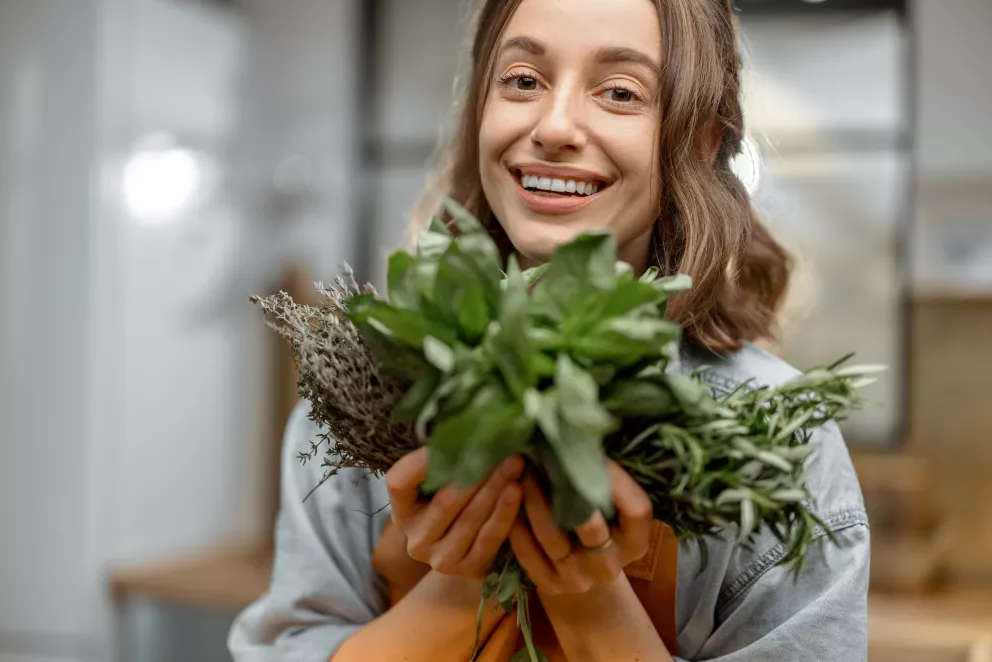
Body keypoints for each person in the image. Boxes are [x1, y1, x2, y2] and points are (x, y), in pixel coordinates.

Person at [228, 0, 870, 660]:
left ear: (701, 141)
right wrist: (460, 589)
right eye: (523, 81)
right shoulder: (358, 398)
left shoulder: (782, 440)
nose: (556, 125)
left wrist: (588, 597)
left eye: (620, 92)